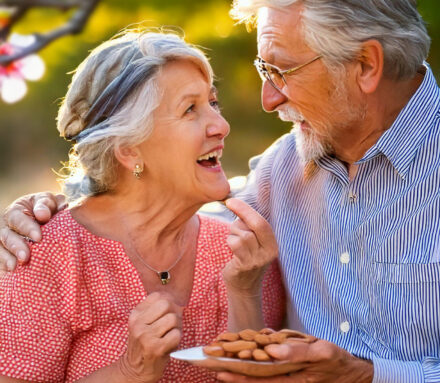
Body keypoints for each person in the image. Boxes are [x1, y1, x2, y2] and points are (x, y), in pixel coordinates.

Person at [2, 1, 440, 382]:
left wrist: (367, 375)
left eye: (281, 70)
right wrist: (49, 207)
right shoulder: (278, 175)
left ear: (366, 66)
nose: (267, 100)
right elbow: (156, 200)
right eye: (265, 72)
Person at [0, 30, 285, 382]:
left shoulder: (245, 257)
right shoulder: (46, 255)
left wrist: (244, 294)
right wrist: (129, 371)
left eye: (213, 103)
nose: (221, 125)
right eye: (190, 109)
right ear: (130, 149)